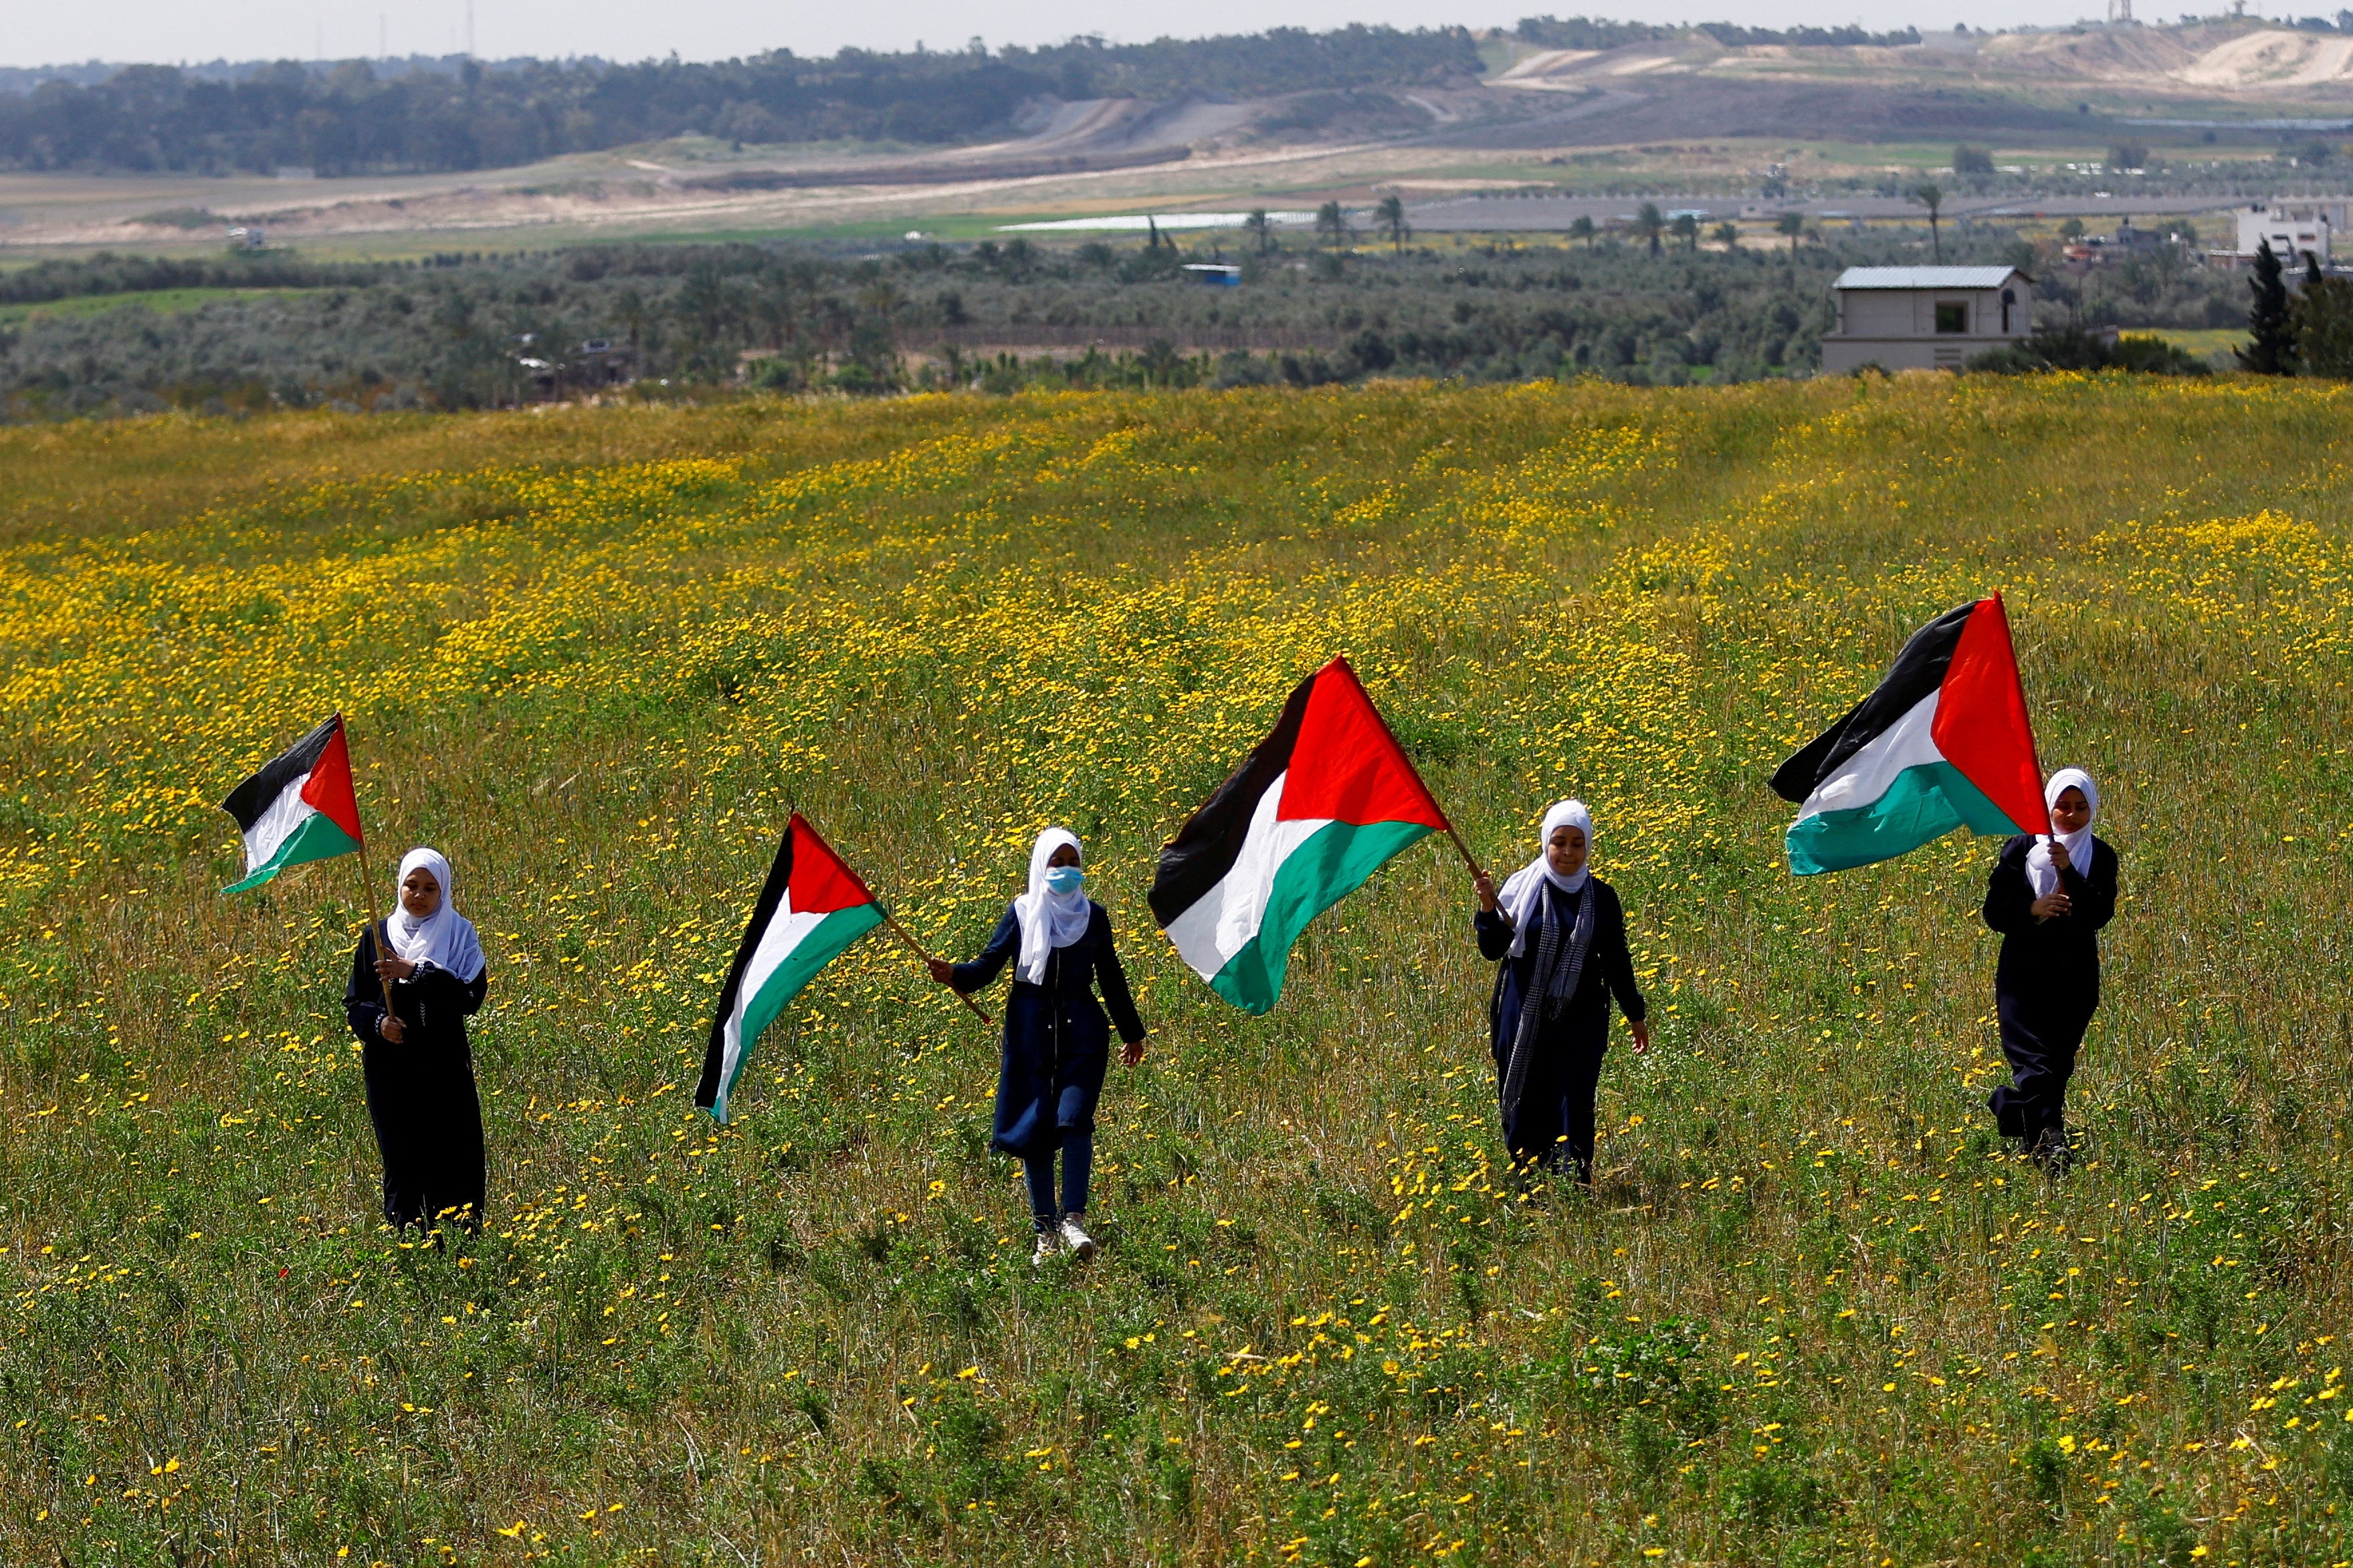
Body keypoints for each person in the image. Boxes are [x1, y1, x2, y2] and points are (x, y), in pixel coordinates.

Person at [930, 828, 1146, 1264]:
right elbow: (987, 966)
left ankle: (1074, 1220)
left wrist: (1131, 1031)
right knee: (1036, 1129)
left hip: (1083, 1031)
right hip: (1031, 1031)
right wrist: (953, 972)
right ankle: (1045, 1231)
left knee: (1075, 1119)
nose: (1065, 869)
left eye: (1073, 860)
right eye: (1056, 860)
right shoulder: (1022, 912)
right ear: (1041, 865)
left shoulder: (1094, 916)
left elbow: (1111, 977)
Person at [1472, 800, 1649, 1185]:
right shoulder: (1522, 890)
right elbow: (1493, 949)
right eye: (1559, 843)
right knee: (1526, 1096)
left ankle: (1574, 1188)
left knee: (1575, 1101)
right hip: (1522, 1018)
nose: (1567, 852)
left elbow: (1617, 960)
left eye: (1576, 843)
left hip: (1581, 1022)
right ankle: (1529, 1185)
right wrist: (1488, 907)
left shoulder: (1602, 898)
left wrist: (1635, 1013)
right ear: (1545, 844)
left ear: (1588, 847)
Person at [343, 847, 489, 1236]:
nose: (419, 895)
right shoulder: (376, 937)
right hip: (391, 1071)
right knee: (402, 1158)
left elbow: (469, 998)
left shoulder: (460, 936)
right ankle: (408, 1242)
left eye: (429, 888)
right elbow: (355, 1002)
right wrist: (378, 1025)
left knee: (455, 1152)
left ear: (444, 892)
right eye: (411, 885)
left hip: (444, 1067)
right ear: (399, 887)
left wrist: (417, 972)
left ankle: (462, 1246)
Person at [1982, 768, 2117, 1171]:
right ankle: (2053, 1144)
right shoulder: (2019, 848)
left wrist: (2068, 871)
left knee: (2056, 1061)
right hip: (2022, 972)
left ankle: (2016, 1114)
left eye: (2081, 807)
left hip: (2073, 972)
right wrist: (2033, 910)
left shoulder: (2100, 855)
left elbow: (2098, 912)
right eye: (2062, 806)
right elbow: (1995, 912)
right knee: (2033, 1061)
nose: (2071, 815)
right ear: (2047, 806)